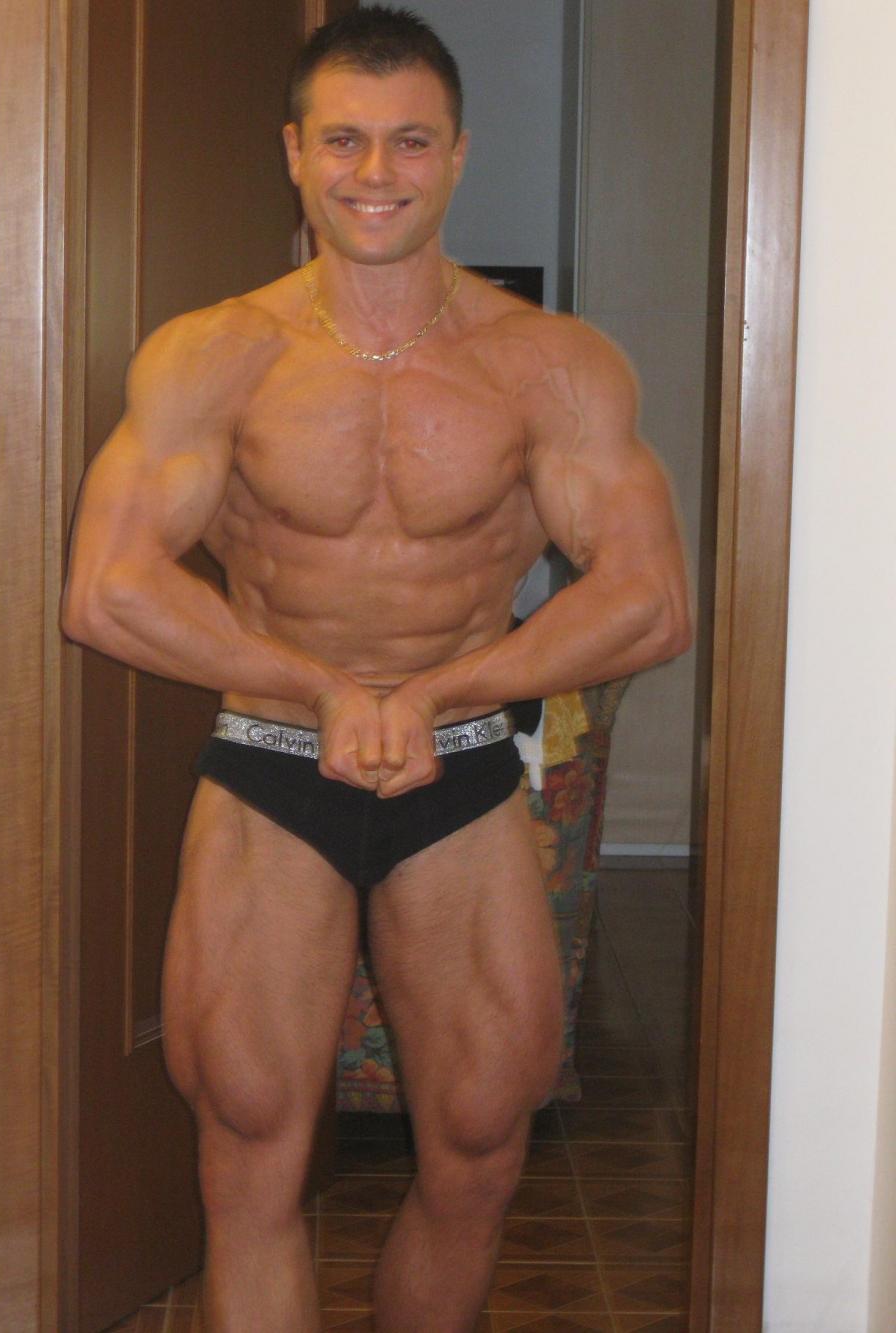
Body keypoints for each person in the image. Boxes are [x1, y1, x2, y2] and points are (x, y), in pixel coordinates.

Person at [62, 7, 692, 1329]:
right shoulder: (213, 354)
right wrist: (322, 688)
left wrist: (444, 691)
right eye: (343, 140)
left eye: (411, 141)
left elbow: (650, 601)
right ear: (294, 152)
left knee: (481, 1143)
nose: (375, 172)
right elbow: (107, 587)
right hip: (271, 765)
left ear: (457, 154)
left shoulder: (551, 364)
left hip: (457, 769)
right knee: (248, 1150)